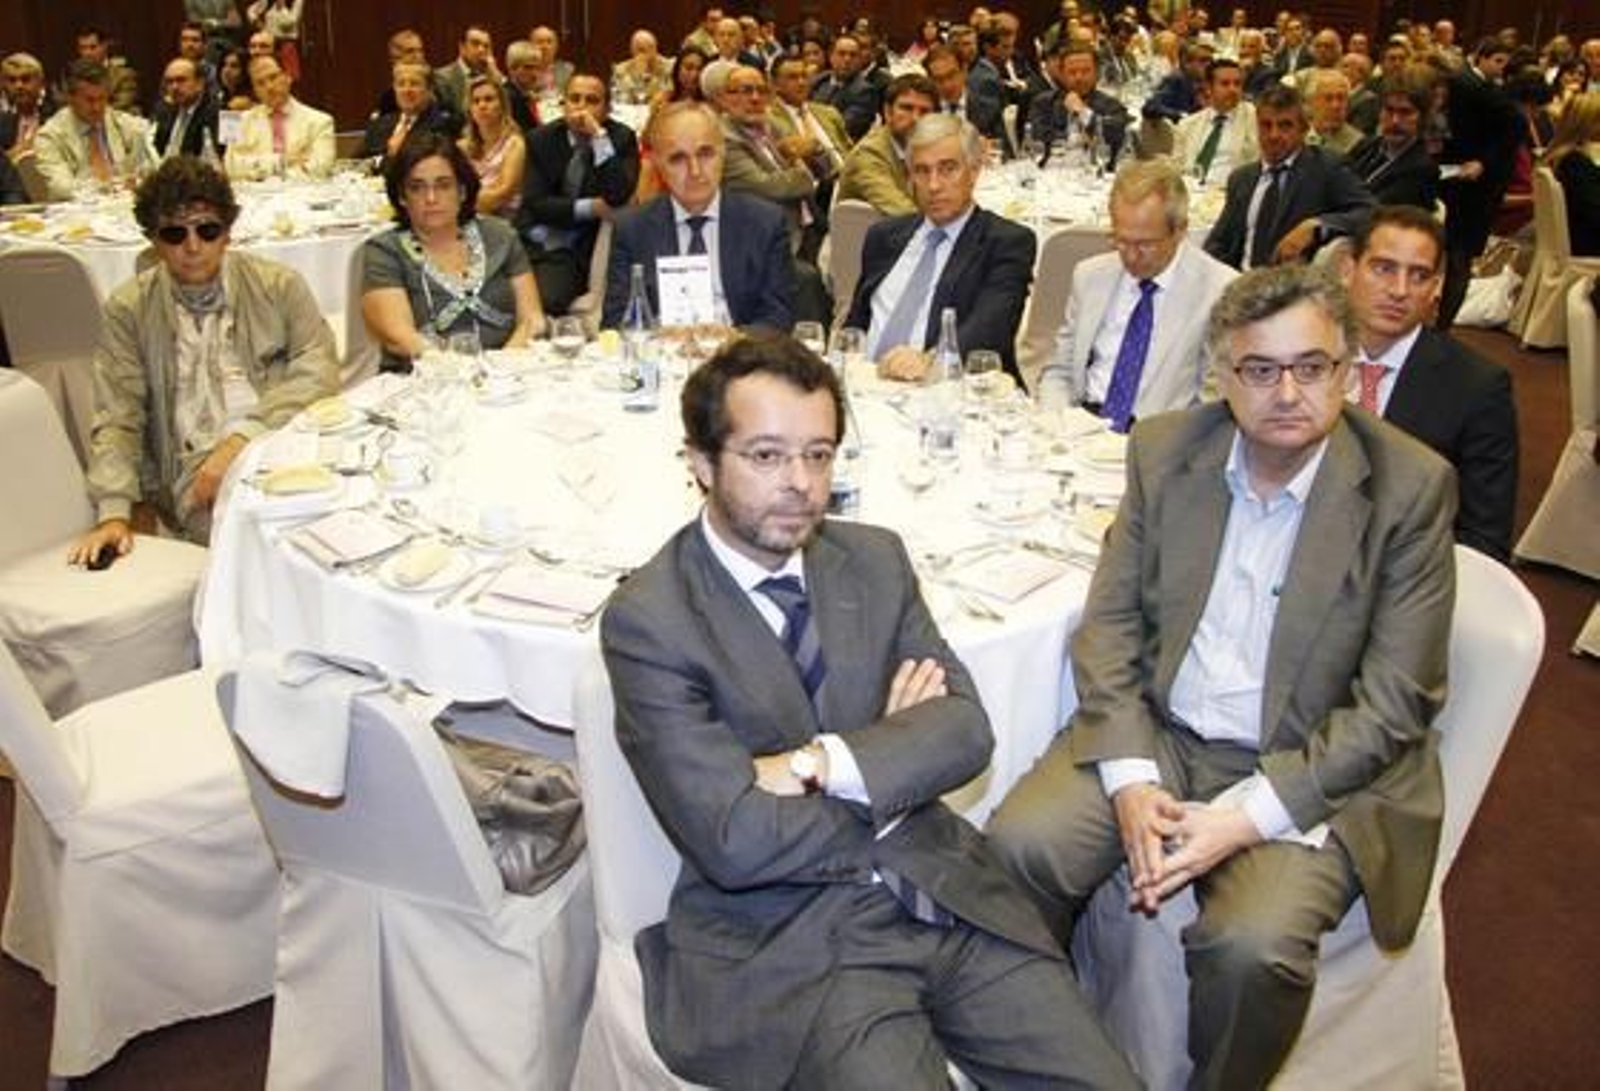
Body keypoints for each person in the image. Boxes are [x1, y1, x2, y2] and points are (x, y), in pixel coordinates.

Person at [600, 331, 1140, 1090]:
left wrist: (819, 764)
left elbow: (963, 732)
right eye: (766, 455)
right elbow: (732, 839)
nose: (800, 482)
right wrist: (893, 766)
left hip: (944, 895)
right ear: (699, 462)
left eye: (819, 454)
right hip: (794, 940)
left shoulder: (874, 559)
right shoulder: (651, 619)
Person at [987, 262, 1458, 1091]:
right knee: (1018, 848)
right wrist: (1130, 777)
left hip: (1312, 763)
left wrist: (1247, 817)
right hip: (1164, 735)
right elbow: (1111, 625)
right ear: (1222, 374)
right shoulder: (1168, 449)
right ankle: (1037, 1055)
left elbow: (1394, 707)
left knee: (1252, 947)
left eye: (1311, 367)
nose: (1287, 392)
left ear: (1347, 369)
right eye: (1260, 369)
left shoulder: (1409, 489)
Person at [68, 157, 337, 556]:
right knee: (268, 546)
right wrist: (113, 512)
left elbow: (319, 372)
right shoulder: (129, 309)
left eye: (207, 230)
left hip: (278, 443)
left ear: (227, 233)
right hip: (190, 472)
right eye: (175, 234)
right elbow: (117, 416)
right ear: (154, 241)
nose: (192, 246)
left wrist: (239, 443)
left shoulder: (279, 286)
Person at [1341, 204, 1518, 560]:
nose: (1399, 290)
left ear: (1436, 287)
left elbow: (1483, 540)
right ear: (1348, 269)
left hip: (1402, 575)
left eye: (1419, 275)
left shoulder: (1477, 388)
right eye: (1383, 268)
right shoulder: (1304, 357)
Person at [1036, 159, 1237, 422]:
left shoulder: (1220, 291)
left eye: (1145, 244)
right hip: (1081, 423)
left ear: (1180, 231)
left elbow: (1214, 403)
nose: (1130, 256)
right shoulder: (1090, 275)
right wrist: (1056, 420)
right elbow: (1059, 370)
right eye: (1120, 240)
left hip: (1157, 436)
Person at [847, 114, 1035, 383]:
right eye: (922, 171)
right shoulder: (884, 236)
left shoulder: (1005, 242)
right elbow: (857, 323)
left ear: (974, 171)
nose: (933, 185)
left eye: (948, 169)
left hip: (946, 392)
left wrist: (928, 361)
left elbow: (989, 332)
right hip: (867, 387)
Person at [361, 132, 546, 372]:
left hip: (508, 373)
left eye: (443, 185)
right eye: (417, 187)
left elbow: (532, 320)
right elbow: (399, 337)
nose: (431, 198)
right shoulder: (384, 250)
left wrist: (501, 369)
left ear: (462, 191)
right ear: (402, 196)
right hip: (425, 382)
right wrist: (459, 372)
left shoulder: (500, 236)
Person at [603, 101, 793, 331]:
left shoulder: (765, 222)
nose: (695, 171)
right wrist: (658, 337)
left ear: (723, 153)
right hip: (664, 355)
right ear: (657, 164)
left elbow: (778, 317)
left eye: (705, 154)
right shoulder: (632, 228)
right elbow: (615, 320)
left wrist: (731, 340)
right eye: (678, 159)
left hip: (738, 356)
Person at [1203, 84, 1374, 269]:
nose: (1273, 135)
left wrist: (1317, 226)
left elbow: (1371, 213)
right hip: (1239, 282)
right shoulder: (1241, 178)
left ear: (1304, 129)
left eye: (1285, 125)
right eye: (1266, 125)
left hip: (1292, 290)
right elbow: (1218, 243)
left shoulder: (1326, 168)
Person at [516, 73, 640, 314]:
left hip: (576, 245)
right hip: (533, 236)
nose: (581, 107)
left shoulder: (621, 138)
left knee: (548, 298)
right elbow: (536, 203)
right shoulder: (541, 139)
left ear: (607, 108)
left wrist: (598, 138)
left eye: (592, 101)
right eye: (574, 99)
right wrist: (591, 207)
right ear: (564, 105)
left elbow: (617, 195)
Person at [1436, 38, 1519, 327]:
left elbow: (1513, 126)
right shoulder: (1470, 85)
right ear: (1480, 57)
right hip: (1462, 185)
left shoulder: (1475, 88)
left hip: (1467, 187)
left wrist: (1482, 162)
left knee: (1456, 260)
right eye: (1497, 60)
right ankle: (1441, 330)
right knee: (1456, 260)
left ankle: (1441, 329)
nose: (1501, 68)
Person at [717, 65, 821, 259]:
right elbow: (768, 187)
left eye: (762, 91)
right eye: (746, 91)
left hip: (804, 224)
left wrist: (804, 156)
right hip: (765, 241)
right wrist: (803, 170)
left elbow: (812, 150)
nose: (756, 98)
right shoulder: (723, 139)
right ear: (725, 98)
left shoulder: (769, 124)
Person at [34, 60, 151, 201]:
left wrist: (138, 181)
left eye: (102, 98)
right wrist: (109, 188)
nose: (97, 107)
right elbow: (62, 188)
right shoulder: (49, 136)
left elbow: (150, 170)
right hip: (77, 215)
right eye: (89, 100)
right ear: (70, 98)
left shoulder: (126, 125)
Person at [837, 73, 939, 215]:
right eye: (907, 108)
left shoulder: (923, 147)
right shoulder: (868, 154)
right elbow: (903, 213)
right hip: (862, 235)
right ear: (887, 112)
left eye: (925, 111)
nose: (916, 118)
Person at [1346, 69, 1441, 210]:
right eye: (1389, 110)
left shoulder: (1422, 169)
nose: (1395, 121)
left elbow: (1374, 213)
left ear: (1423, 118)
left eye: (1405, 112)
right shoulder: (1368, 145)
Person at [224, 56, 333, 177]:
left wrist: (252, 166)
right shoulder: (232, 119)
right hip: (251, 194)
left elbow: (320, 169)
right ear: (255, 90)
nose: (269, 87)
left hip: (302, 194)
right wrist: (279, 161)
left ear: (288, 77)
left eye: (273, 77)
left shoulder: (323, 121)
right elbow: (229, 167)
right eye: (260, 83)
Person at [1027, 43, 1132, 161]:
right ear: (1062, 74)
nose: (1079, 77)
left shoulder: (1111, 104)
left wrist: (1083, 112)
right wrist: (1082, 139)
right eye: (1072, 72)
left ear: (1097, 73)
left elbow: (1119, 136)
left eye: (1086, 71)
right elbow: (1038, 139)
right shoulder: (1043, 103)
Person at [1172, 57, 1260, 185]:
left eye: (1237, 83)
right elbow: (1175, 169)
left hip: (1230, 193)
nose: (1233, 89)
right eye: (1225, 84)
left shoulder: (1255, 118)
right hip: (1191, 191)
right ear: (1208, 87)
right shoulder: (1187, 125)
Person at [360, 59, 462, 165]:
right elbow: (356, 162)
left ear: (430, 89)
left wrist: (392, 156)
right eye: (401, 84)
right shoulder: (381, 123)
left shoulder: (444, 125)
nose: (406, 90)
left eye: (414, 84)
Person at [460, 75, 526, 217]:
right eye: (475, 101)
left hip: (505, 220)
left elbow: (502, 194)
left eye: (489, 99)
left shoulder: (515, 144)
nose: (482, 105)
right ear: (470, 110)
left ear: (502, 105)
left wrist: (462, 201)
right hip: (469, 215)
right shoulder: (462, 147)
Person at [1545, 92, 1600, 256]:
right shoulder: (1573, 161)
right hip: (1588, 244)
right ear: (1587, 124)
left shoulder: (1562, 154)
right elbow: (1595, 214)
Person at [809, 34, 881, 142]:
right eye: (841, 54)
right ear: (831, 57)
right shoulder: (820, 80)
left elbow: (841, 129)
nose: (847, 59)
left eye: (853, 55)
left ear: (860, 60)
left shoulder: (865, 91)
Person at [151, 57, 221, 159]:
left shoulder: (222, 113)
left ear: (200, 83)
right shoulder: (164, 112)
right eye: (169, 82)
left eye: (181, 80)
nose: (174, 87)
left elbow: (227, 157)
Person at [1, 53, 55, 158]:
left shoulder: (57, 117)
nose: (18, 86)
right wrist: (17, 151)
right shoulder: (2, 122)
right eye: (12, 80)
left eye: (25, 79)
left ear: (41, 83)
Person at [436, 25, 497, 118]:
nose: (481, 50)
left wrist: (495, 76)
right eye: (475, 44)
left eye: (486, 46)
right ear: (462, 47)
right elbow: (446, 116)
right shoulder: (442, 77)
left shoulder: (492, 77)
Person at [1304, 70, 1363, 155]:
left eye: (1341, 98)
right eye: (1328, 98)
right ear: (1311, 103)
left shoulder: (1357, 144)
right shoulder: (1297, 135)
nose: (1335, 106)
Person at [245, 0, 304, 81]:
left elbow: (289, 23)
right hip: (268, 44)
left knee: (288, 77)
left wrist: (281, 8)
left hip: (286, 45)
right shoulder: (267, 2)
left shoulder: (297, 2)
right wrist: (257, 23)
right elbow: (251, 11)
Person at [611, 29, 673, 106]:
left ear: (655, 49)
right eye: (640, 50)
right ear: (632, 50)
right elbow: (621, 99)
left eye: (651, 48)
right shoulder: (620, 70)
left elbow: (668, 94)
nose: (644, 55)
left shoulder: (669, 66)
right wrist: (638, 77)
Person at [528, 26, 575, 98]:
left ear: (556, 46)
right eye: (539, 42)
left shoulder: (568, 69)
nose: (544, 46)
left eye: (549, 42)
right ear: (531, 45)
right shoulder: (525, 70)